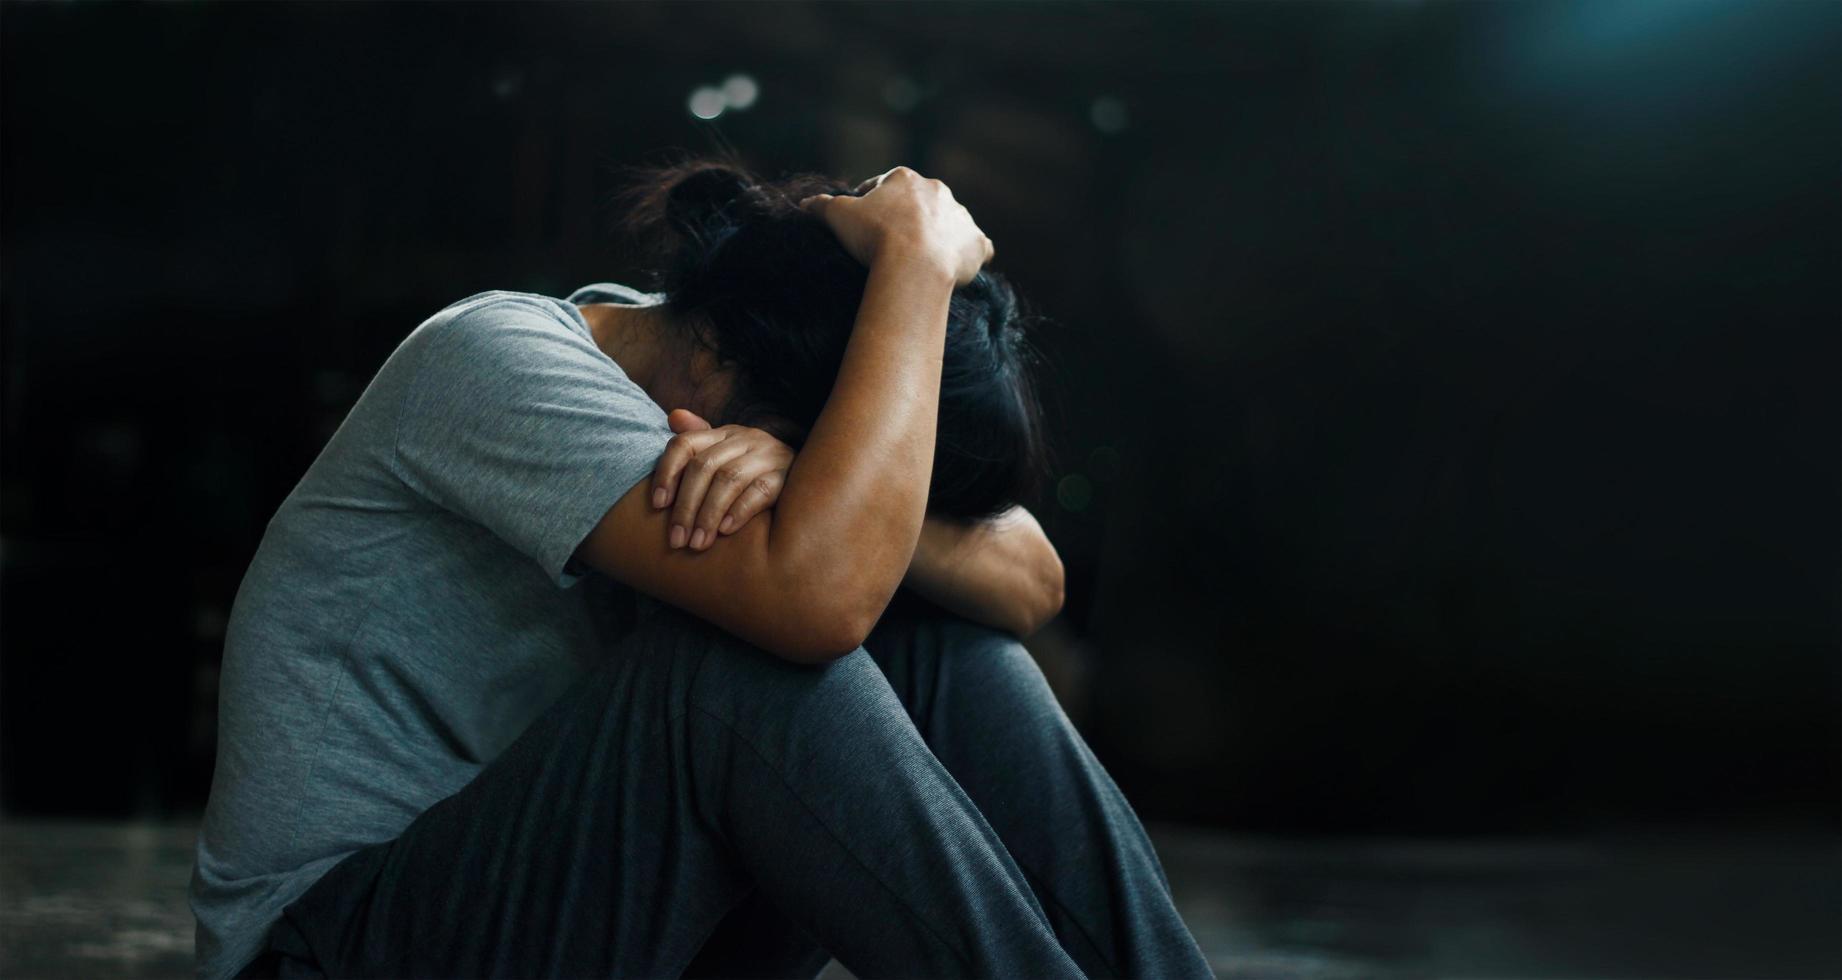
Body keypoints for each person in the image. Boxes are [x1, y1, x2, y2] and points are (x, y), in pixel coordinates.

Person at [189, 156, 1214, 979]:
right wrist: (911, 258)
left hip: (599, 921)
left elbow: (1032, 578)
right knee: (740, 666)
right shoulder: (494, 362)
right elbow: (816, 598)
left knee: (938, 635)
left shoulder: (728, 360)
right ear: (714, 351)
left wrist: (818, 473)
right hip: (338, 942)